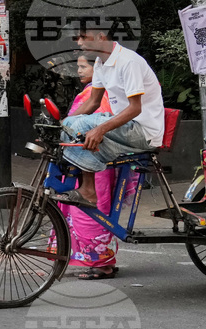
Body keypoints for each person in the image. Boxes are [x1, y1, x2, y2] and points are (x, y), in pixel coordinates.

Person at [56, 26, 165, 210]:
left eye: (84, 37)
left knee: (85, 126)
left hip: (143, 130)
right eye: (77, 38)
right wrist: (63, 125)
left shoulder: (128, 62)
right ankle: (87, 188)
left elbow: (135, 108)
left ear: (101, 36)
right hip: (125, 127)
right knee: (74, 125)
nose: (79, 43)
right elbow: (93, 102)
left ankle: (89, 190)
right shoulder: (100, 63)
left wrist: (100, 129)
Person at [56, 54, 123, 280]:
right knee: (92, 208)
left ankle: (102, 263)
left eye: (84, 66)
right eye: (78, 66)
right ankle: (103, 260)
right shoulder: (97, 93)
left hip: (94, 158)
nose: (79, 71)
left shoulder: (96, 95)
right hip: (92, 158)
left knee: (90, 209)